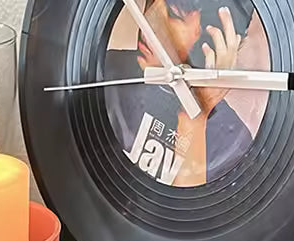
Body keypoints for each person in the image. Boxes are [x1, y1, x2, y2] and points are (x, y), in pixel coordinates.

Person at [104, 0, 257, 187]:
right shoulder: (108, 75)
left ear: (213, 41)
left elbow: (191, 215)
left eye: (174, 14)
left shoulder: (232, 144)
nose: (148, 21)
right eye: (151, 2)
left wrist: (196, 120)